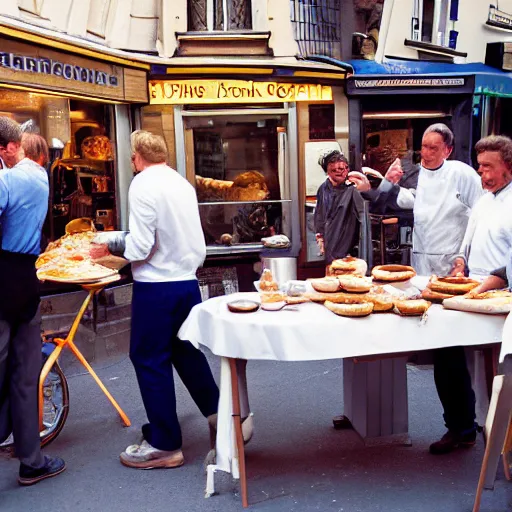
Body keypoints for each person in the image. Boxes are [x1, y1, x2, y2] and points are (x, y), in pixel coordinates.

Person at [90, 130, 220, 469]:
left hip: (157, 286)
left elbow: (141, 246)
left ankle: (165, 443)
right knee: (185, 351)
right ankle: (221, 417)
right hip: (186, 283)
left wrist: (111, 248)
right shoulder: (181, 183)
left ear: (136, 157)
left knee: (148, 358)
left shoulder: (142, 183)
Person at [0, 122, 66, 485]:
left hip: (8, 273)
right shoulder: (37, 177)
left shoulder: (10, 179)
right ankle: (31, 460)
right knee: (25, 376)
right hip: (23, 277)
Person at [451, 135, 512, 279]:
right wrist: (461, 261)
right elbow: (467, 243)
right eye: (480, 165)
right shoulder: (483, 201)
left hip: (502, 291)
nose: (481, 172)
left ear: (509, 166)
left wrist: (497, 281)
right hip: (473, 283)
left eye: (487, 166)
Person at [314, 150, 371, 263]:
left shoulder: (353, 190)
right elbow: (319, 215)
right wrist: (320, 239)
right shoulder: (323, 189)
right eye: (334, 170)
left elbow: (364, 217)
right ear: (328, 171)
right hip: (329, 242)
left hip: (348, 246)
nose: (339, 172)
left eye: (343, 169)